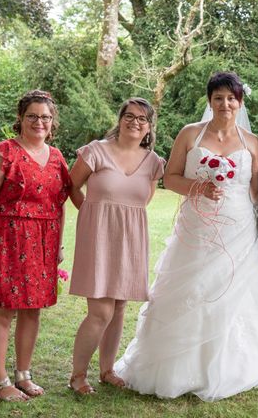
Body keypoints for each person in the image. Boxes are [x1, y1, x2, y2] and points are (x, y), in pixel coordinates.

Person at [113, 72, 258, 401]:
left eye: (232, 98)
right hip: (196, 228)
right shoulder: (190, 134)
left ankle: (232, 365)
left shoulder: (252, 142)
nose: (225, 104)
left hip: (238, 229)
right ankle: (178, 365)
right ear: (210, 101)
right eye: (219, 97)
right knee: (191, 290)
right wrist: (199, 188)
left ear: (240, 102)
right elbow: (171, 178)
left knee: (235, 295)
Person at [67, 98, 165, 394]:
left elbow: (143, 200)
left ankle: (107, 370)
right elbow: (71, 185)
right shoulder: (96, 151)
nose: (135, 122)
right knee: (100, 311)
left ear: (149, 127)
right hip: (97, 236)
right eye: (130, 116)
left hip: (131, 237)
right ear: (120, 119)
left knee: (120, 307)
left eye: (142, 119)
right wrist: (90, 213)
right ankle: (77, 375)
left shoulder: (153, 162)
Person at [0, 90, 69, 401]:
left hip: (43, 242)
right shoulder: (2, 154)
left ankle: (24, 375)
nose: (39, 122)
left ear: (52, 121)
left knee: (33, 311)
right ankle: (0, 381)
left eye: (45, 117)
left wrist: (58, 243)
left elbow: (60, 203)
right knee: (3, 310)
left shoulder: (57, 157)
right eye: (32, 116)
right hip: (8, 239)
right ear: (21, 119)